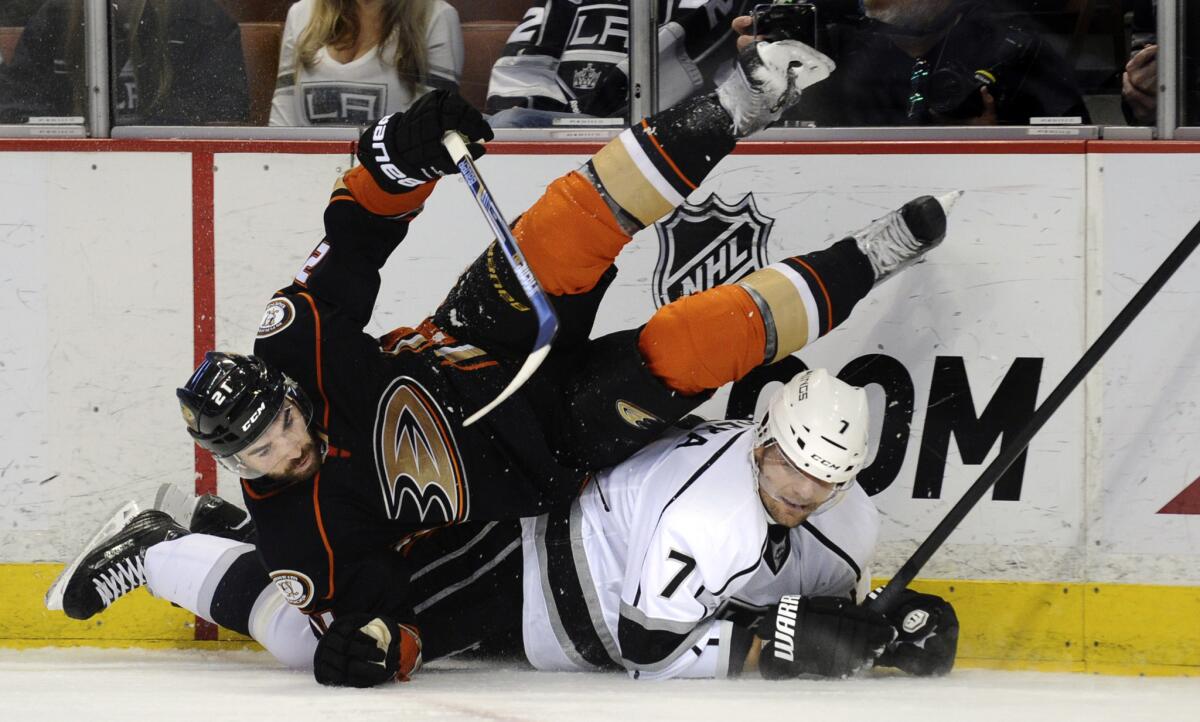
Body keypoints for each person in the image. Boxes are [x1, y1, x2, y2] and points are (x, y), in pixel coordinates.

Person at [54, 36, 954, 681]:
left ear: (286, 390)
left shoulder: (297, 339)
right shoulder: (303, 534)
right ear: (229, 462)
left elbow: (356, 233)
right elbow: (378, 607)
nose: (283, 453)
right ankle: (867, 257)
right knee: (687, 347)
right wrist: (373, 648)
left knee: (566, 228)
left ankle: (738, 99)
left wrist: (400, 154)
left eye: (282, 428)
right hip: (541, 453)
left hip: (475, 346)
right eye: (255, 459)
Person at [48, 369, 959, 685]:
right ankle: (168, 551)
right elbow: (644, 648)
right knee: (325, 652)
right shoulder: (707, 513)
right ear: (761, 438)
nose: (803, 489)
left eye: (826, 477)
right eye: (791, 464)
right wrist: (775, 644)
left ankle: (219, 534)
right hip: (519, 571)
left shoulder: (849, 522)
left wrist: (891, 625)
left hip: (550, 581)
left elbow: (830, 593)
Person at [781, 0, 1090, 126]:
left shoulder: (1016, 54)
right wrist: (754, 87)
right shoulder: (825, 54)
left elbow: (1075, 166)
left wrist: (996, 151)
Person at [485, 0, 752, 127]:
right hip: (561, 137)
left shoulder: (717, 6)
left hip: (672, 136)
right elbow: (519, 77)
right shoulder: (562, 4)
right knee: (507, 123)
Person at [0, 0, 249, 125]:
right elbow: (18, 110)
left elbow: (223, 115)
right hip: (69, 170)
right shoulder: (55, 19)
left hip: (168, 173)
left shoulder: (200, 20)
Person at [270, 0, 464, 126]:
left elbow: (429, 136)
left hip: (389, 184)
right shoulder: (301, 14)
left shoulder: (436, 17)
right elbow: (280, 129)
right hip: (303, 176)